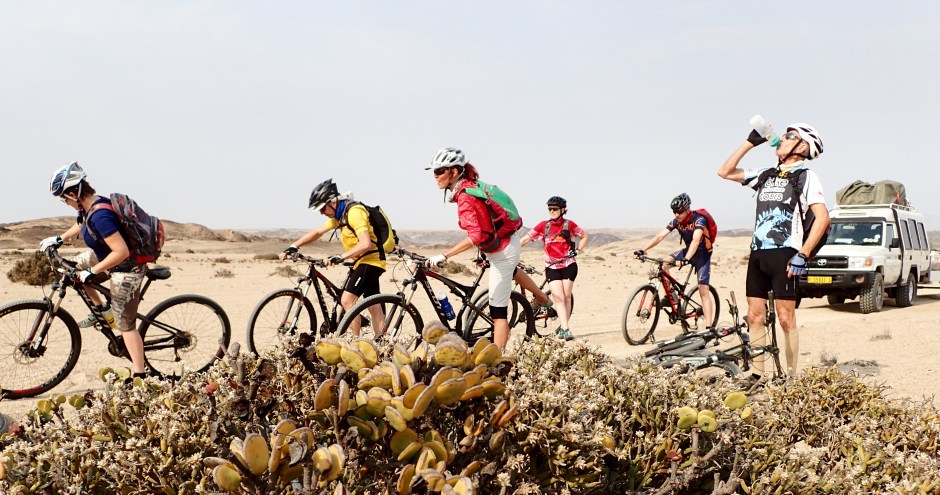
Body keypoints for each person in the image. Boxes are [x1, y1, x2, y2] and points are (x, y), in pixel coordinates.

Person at [717, 122, 829, 377]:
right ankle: (758, 373)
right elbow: (724, 172)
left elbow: (821, 218)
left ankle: (790, 377)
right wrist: (750, 142)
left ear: (803, 147)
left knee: (785, 317)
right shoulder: (766, 174)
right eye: (786, 135)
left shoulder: (806, 176)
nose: (783, 138)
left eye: (791, 136)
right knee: (754, 316)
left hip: (786, 253)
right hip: (758, 252)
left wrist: (804, 253)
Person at [39, 162, 149, 380]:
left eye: (64, 198)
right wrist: (59, 239)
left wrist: (93, 271)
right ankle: (102, 311)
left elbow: (121, 251)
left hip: (127, 266)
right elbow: (81, 225)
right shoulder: (88, 208)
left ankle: (139, 375)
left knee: (125, 325)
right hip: (104, 255)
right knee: (71, 269)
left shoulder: (101, 215)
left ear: (74, 193)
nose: (65, 203)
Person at [424, 147, 525, 350]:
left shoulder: (466, 196)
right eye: (433, 171)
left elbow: (475, 235)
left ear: (453, 172)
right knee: (509, 273)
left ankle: (498, 360)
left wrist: (444, 255)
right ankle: (541, 297)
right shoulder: (469, 187)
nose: (435, 176)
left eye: (439, 171)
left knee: (498, 312)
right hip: (500, 246)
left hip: (504, 251)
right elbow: (484, 226)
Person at [280, 179, 391, 337]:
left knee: (347, 300)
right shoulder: (340, 216)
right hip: (360, 261)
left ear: (333, 201)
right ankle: (382, 342)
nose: (321, 212)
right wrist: (294, 245)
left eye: (322, 208)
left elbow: (365, 243)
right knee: (374, 305)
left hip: (371, 260)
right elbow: (318, 232)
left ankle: (355, 343)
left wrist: (340, 256)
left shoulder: (354, 213)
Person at [634, 193, 715, 329]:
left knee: (703, 291)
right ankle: (671, 296)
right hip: (688, 251)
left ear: (687, 209)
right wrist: (643, 249)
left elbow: (696, 241)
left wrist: (686, 259)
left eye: (679, 211)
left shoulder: (699, 220)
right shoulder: (676, 221)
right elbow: (660, 236)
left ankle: (709, 327)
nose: (676, 214)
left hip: (702, 254)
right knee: (664, 263)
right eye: (674, 211)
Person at [520, 196, 588, 341]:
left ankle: (565, 327)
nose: (551, 211)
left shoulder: (569, 225)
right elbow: (525, 239)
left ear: (563, 210)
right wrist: (510, 250)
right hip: (551, 267)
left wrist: (578, 250)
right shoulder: (544, 226)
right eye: (549, 209)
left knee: (566, 296)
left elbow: (584, 236)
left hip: (568, 265)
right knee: (558, 296)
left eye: (555, 209)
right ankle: (565, 329)